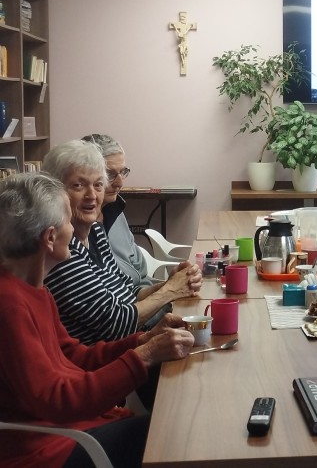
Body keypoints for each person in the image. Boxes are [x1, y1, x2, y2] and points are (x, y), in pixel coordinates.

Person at [0, 172, 194, 468]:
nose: (74, 230)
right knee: (176, 433)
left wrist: (143, 340)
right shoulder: (9, 304)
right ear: (50, 237)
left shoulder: (36, 291)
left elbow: (75, 358)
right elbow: (58, 400)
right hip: (46, 449)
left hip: (69, 430)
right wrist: (144, 357)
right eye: (67, 220)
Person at [41, 140, 201, 345]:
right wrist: (170, 291)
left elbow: (129, 292)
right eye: (79, 185)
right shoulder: (61, 252)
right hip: (108, 362)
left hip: (132, 346)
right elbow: (116, 323)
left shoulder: (96, 233)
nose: (92, 195)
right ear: (56, 193)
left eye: (98, 184)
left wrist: (171, 282)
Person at [81, 133, 154, 289]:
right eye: (110, 174)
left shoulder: (116, 211)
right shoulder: (78, 227)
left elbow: (141, 273)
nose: (120, 183)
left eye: (123, 172)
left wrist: (163, 292)